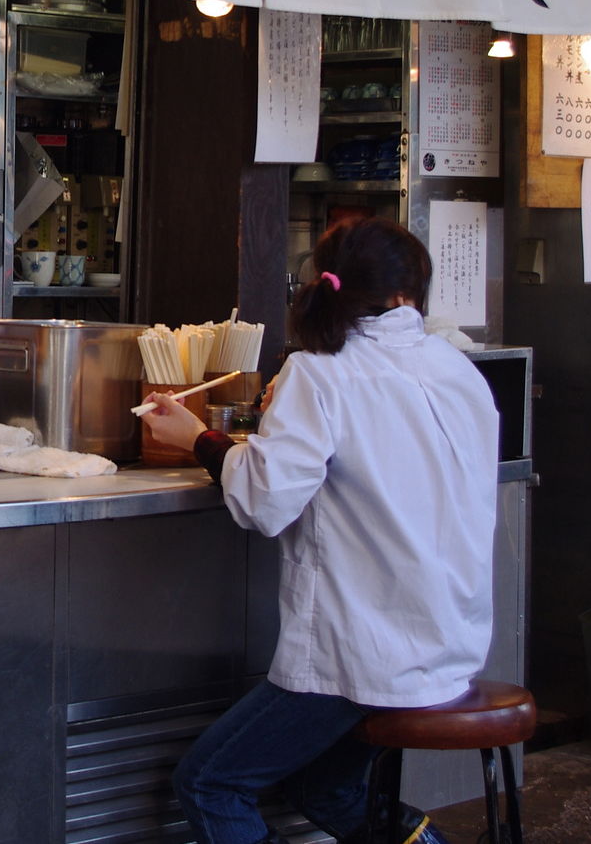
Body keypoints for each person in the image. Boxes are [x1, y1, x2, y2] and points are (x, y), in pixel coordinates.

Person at [141, 218, 499, 844]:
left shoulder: (320, 372)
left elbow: (265, 502)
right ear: (407, 296)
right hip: (450, 641)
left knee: (209, 783)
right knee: (322, 787)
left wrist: (198, 439)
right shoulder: (456, 367)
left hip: (363, 650)